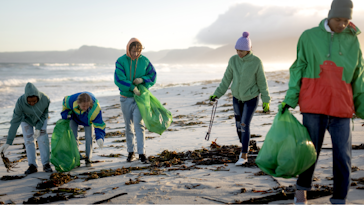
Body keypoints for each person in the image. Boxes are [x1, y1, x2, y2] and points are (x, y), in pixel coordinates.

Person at [281, 0, 364, 203]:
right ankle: (301, 192)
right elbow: (298, 68)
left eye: (346, 20)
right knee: (309, 153)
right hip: (314, 107)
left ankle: (339, 199)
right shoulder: (309, 37)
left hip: (341, 109)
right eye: (338, 19)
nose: (342, 24)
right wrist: (290, 99)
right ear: (329, 15)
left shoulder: (353, 41)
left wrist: (362, 109)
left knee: (343, 158)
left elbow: (359, 77)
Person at [210, 32, 271, 166]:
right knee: (239, 126)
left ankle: (244, 155)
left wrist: (266, 100)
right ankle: (245, 143)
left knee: (244, 125)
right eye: (237, 50)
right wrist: (217, 94)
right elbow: (226, 79)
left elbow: (262, 82)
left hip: (251, 98)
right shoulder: (233, 60)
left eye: (241, 50)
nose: (239, 53)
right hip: (237, 98)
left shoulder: (256, 62)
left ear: (248, 49)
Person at [114, 38, 157, 163]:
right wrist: (132, 88)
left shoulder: (144, 61)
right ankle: (130, 152)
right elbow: (118, 79)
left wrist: (142, 80)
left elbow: (153, 75)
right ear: (128, 49)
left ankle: (142, 153)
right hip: (125, 98)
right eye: (133, 51)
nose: (135, 54)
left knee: (139, 124)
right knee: (129, 126)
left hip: (140, 99)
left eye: (138, 51)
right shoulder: (121, 61)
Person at [0, 82, 52, 174]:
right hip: (26, 120)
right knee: (28, 140)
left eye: (34, 101)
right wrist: (8, 141)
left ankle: (46, 164)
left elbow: (44, 115)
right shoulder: (20, 102)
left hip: (40, 119)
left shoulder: (45, 99)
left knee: (43, 138)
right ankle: (32, 165)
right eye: (29, 101)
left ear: (38, 98)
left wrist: (38, 128)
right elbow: (15, 122)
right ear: (25, 98)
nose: (32, 103)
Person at [61, 92, 105, 167]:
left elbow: (99, 124)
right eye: (83, 106)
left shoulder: (95, 108)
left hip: (88, 119)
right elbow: (64, 107)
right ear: (78, 103)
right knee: (73, 137)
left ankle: (88, 159)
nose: (85, 108)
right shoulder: (70, 101)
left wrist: (100, 137)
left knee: (89, 137)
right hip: (74, 117)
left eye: (87, 106)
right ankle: (76, 157)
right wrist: (66, 115)